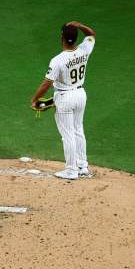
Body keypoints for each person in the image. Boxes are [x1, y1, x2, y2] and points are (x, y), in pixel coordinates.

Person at [30, 21, 96, 180]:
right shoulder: (84, 49)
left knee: (68, 135)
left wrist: (34, 99)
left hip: (65, 98)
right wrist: (79, 26)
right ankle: (82, 166)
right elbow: (91, 34)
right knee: (78, 130)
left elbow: (47, 83)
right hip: (80, 94)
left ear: (62, 39)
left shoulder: (57, 60)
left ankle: (71, 170)